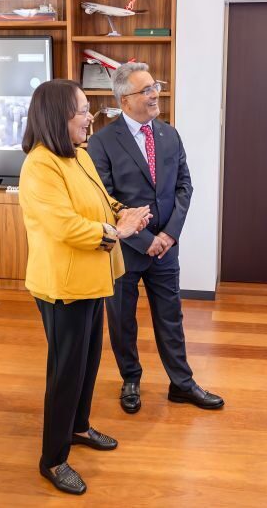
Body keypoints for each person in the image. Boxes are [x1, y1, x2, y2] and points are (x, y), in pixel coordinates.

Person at [19, 79, 152, 494]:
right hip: (64, 286)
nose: (89, 117)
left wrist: (123, 211)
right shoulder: (40, 165)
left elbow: (100, 199)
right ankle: (53, 459)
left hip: (93, 279)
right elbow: (66, 226)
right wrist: (119, 230)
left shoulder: (77, 155)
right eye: (81, 110)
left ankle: (78, 427)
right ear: (57, 115)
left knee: (88, 362)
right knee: (65, 372)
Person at [88, 63, 224, 413]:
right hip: (126, 249)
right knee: (122, 318)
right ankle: (130, 379)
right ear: (124, 99)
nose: (155, 94)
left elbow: (184, 186)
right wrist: (144, 239)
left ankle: (182, 384)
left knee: (170, 316)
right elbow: (104, 199)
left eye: (155, 87)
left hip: (165, 248)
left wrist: (168, 235)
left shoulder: (169, 135)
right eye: (146, 90)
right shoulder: (102, 142)